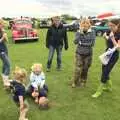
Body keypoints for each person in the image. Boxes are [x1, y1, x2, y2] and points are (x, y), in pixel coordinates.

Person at [92, 19, 120, 98]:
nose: (110, 27)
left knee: (105, 72)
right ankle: (109, 87)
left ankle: (99, 91)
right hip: (107, 53)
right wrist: (105, 38)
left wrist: (112, 38)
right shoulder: (109, 31)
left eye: (112, 26)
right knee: (104, 70)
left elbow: (118, 49)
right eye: (109, 25)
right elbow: (108, 44)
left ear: (117, 25)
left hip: (114, 56)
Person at [71, 18, 96, 88]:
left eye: (86, 25)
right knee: (78, 68)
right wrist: (80, 34)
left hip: (88, 54)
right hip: (79, 53)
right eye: (83, 25)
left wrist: (81, 43)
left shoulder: (92, 32)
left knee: (85, 68)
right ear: (81, 25)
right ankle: (75, 82)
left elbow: (92, 43)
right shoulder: (78, 32)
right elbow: (75, 42)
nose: (85, 26)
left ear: (89, 25)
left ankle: (83, 80)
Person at [0, 19, 10, 85]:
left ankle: (4, 79)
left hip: (4, 49)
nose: (3, 24)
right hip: (1, 51)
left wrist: (4, 35)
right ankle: (6, 82)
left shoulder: (2, 30)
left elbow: (6, 40)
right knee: (8, 65)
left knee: (4, 64)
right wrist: (2, 38)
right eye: (2, 23)